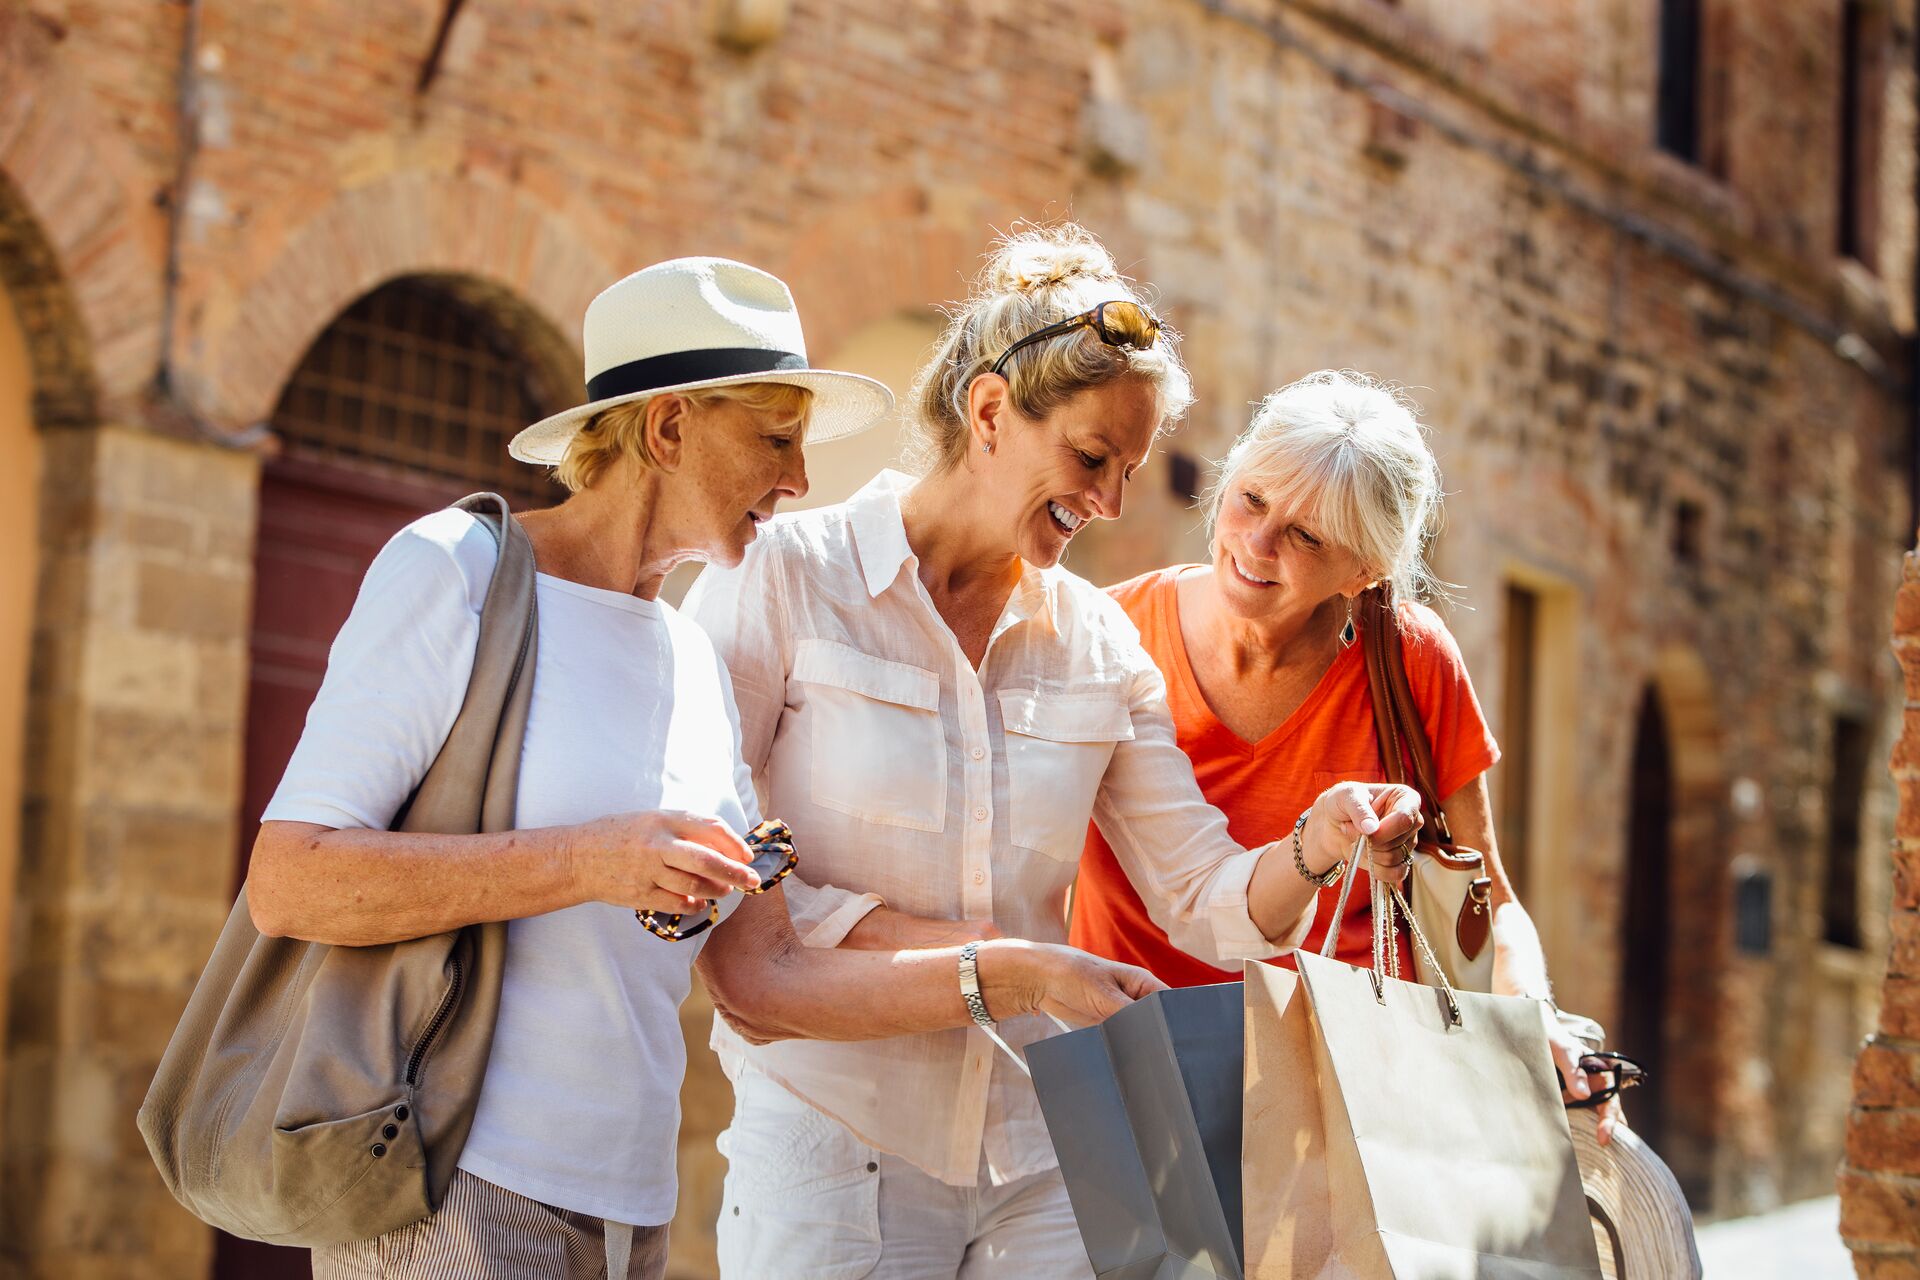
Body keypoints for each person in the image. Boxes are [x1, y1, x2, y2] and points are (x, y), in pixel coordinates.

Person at [244, 257, 1163, 1280]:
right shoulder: (456, 568)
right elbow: (292, 879)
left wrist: (1016, 967)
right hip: (454, 1170)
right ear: (668, 427)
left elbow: (768, 969)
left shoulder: (687, 650)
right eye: (776, 438)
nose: (801, 479)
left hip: (627, 1207)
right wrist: (591, 861)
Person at [685, 226, 1422, 1278]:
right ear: (988, 411)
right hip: (834, 1146)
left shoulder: (1098, 640)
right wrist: (999, 961)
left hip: (1043, 1158)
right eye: (1090, 458)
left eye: (1130, 469)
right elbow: (732, 914)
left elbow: (1203, 895)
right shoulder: (785, 580)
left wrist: (1317, 839)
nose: (1113, 503)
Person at [1068, 369, 1626, 1144]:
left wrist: (1538, 1021)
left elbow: (1484, 902)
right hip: (1139, 1082)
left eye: (1306, 536)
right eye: (1252, 501)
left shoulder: (1410, 660)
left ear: (1364, 570)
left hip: (1346, 1101)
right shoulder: (1109, 633)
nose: (1255, 545)